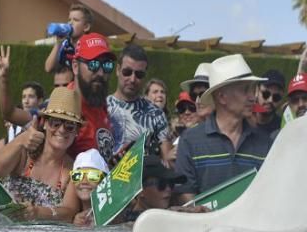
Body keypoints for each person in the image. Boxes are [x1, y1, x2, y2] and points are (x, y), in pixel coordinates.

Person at [174, 54, 271, 202]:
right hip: (205, 225)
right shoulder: (190, 141)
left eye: (253, 89)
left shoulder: (265, 143)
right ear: (222, 97)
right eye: (245, 90)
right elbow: (186, 196)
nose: (253, 97)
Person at [0, 86, 82, 221]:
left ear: (76, 132)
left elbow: (69, 212)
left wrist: (38, 213)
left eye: (70, 126)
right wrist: (21, 139)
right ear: (44, 123)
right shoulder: (24, 151)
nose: (62, 130)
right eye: (55, 123)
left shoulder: (73, 169)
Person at [107, 44, 170, 155]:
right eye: (127, 72)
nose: (132, 79)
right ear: (117, 70)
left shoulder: (156, 114)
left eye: (139, 74)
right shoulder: (101, 109)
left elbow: (167, 160)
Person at [118, 155, 186, 222]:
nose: (168, 189)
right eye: (162, 184)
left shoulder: (171, 216)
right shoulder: (131, 225)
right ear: (140, 190)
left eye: (171, 183)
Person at [44, 3, 93, 74]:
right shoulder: (65, 44)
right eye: (69, 20)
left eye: (75, 20)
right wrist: (58, 42)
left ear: (86, 27)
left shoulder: (91, 46)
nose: (70, 23)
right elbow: (48, 68)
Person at [70, 149, 110, 226]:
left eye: (93, 175)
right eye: (77, 175)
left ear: (104, 181)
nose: (84, 182)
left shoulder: (115, 216)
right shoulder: (69, 216)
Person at [250, 69, 285, 134]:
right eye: (265, 94)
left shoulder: (282, 128)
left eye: (276, 97)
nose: (270, 100)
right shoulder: (242, 121)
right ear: (257, 91)